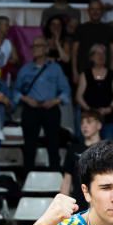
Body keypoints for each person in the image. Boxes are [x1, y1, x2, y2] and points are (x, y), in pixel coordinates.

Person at [15, 37, 72, 177]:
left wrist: (55, 101)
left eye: (39, 46)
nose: (35, 49)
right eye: (33, 46)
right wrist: (26, 99)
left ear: (46, 49)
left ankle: (56, 178)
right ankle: (27, 180)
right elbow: (15, 91)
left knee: (53, 145)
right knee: (29, 147)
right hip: (31, 109)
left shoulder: (55, 68)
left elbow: (66, 90)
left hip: (50, 109)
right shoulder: (25, 69)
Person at [76, 43, 113, 140]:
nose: (101, 56)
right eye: (97, 54)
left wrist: (109, 109)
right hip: (89, 118)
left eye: (103, 54)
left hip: (108, 118)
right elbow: (79, 96)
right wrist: (90, 110)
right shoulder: (85, 74)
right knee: (87, 147)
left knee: (108, 147)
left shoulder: (112, 75)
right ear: (91, 57)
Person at [73, 0, 113, 79]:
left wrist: (111, 74)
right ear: (88, 11)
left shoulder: (109, 29)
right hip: (84, 72)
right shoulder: (80, 28)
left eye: (98, 9)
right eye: (92, 9)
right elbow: (74, 52)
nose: (95, 12)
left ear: (102, 11)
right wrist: (75, 72)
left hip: (104, 73)